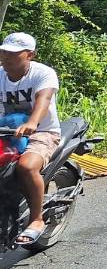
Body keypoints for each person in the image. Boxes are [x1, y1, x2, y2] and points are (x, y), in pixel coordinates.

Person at [0, 33, 62, 246]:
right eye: (4, 52)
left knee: (26, 167)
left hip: (42, 132)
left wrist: (32, 123)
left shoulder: (43, 73)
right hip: (5, 131)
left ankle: (36, 219)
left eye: (13, 54)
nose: (6, 57)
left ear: (30, 55)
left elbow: (43, 99)